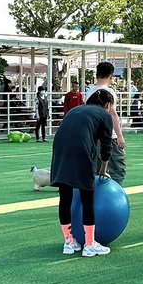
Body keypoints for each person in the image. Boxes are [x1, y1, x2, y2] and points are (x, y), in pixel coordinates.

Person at [50, 88, 116, 257]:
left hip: (60, 149)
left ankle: (69, 242)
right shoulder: (104, 115)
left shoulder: (76, 109)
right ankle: (89, 243)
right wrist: (103, 169)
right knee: (87, 197)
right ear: (107, 105)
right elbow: (107, 146)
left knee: (65, 198)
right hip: (81, 150)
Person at [85, 62, 126, 183]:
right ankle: (114, 194)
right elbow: (112, 114)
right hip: (108, 135)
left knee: (97, 168)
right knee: (117, 167)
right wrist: (119, 135)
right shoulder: (108, 92)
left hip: (93, 135)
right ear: (111, 76)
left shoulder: (89, 91)